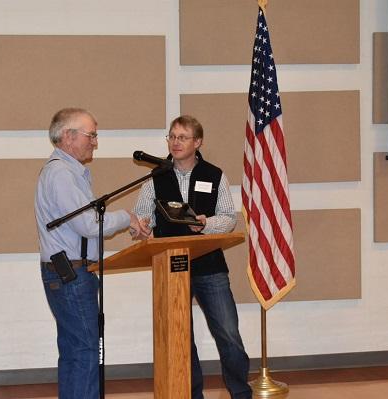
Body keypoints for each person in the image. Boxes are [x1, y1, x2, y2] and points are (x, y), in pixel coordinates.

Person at [133, 115, 252, 399]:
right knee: (180, 339)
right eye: (172, 136)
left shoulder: (214, 174)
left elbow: (228, 218)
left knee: (228, 335)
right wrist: (142, 226)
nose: (175, 142)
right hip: (171, 267)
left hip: (209, 265)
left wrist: (206, 225)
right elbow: (141, 216)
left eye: (182, 137)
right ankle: (191, 394)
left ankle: (240, 392)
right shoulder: (155, 177)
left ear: (197, 142)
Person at [35, 108, 149, 399]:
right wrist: (127, 217)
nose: (95, 142)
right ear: (68, 136)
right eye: (91, 135)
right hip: (72, 275)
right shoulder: (61, 174)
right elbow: (88, 224)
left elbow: (85, 222)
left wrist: (131, 219)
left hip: (68, 272)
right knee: (85, 349)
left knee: (75, 350)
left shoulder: (68, 172)